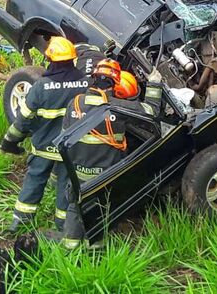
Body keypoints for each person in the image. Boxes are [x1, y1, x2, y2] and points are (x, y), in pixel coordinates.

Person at [59, 59, 163, 249]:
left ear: (94, 79)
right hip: (105, 178)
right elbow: (151, 112)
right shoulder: (118, 107)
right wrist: (155, 83)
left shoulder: (74, 104)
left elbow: (65, 140)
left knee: (75, 208)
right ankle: (96, 252)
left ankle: (69, 251)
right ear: (115, 83)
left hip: (78, 175)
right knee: (100, 212)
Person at [0, 36, 90, 233]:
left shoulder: (41, 87)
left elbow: (23, 120)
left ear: (50, 60)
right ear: (72, 59)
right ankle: (63, 226)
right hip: (70, 150)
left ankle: (20, 221)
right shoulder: (85, 85)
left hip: (43, 148)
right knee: (66, 187)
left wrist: (9, 142)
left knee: (34, 180)